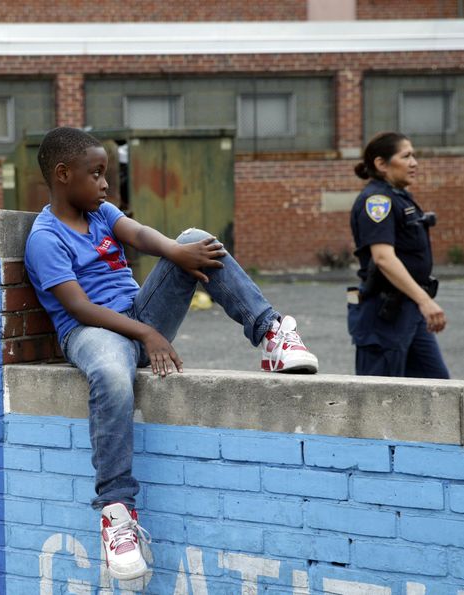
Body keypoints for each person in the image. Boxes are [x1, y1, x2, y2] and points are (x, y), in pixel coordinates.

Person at [23, 127, 318, 581]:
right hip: (91, 332)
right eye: (96, 174)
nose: (105, 184)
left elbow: (140, 235)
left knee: (196, 238)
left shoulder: (100, 212)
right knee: (112, 377)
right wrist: (148, 334)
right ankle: (117, 514)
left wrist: (179, 253)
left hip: (138, 316)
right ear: (63, 175)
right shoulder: (45, 237)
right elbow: (79, 307)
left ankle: (271, 333)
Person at [348, 131, 449, 378]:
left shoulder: (400, 197)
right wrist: (425, 301)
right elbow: (383, 257)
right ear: (381, 164)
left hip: (408, 311)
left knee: (437, 389)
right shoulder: (377, 201)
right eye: (406, 156)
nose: (414, 163)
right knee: (379, 400)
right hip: (384, 314)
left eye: (414, 155)